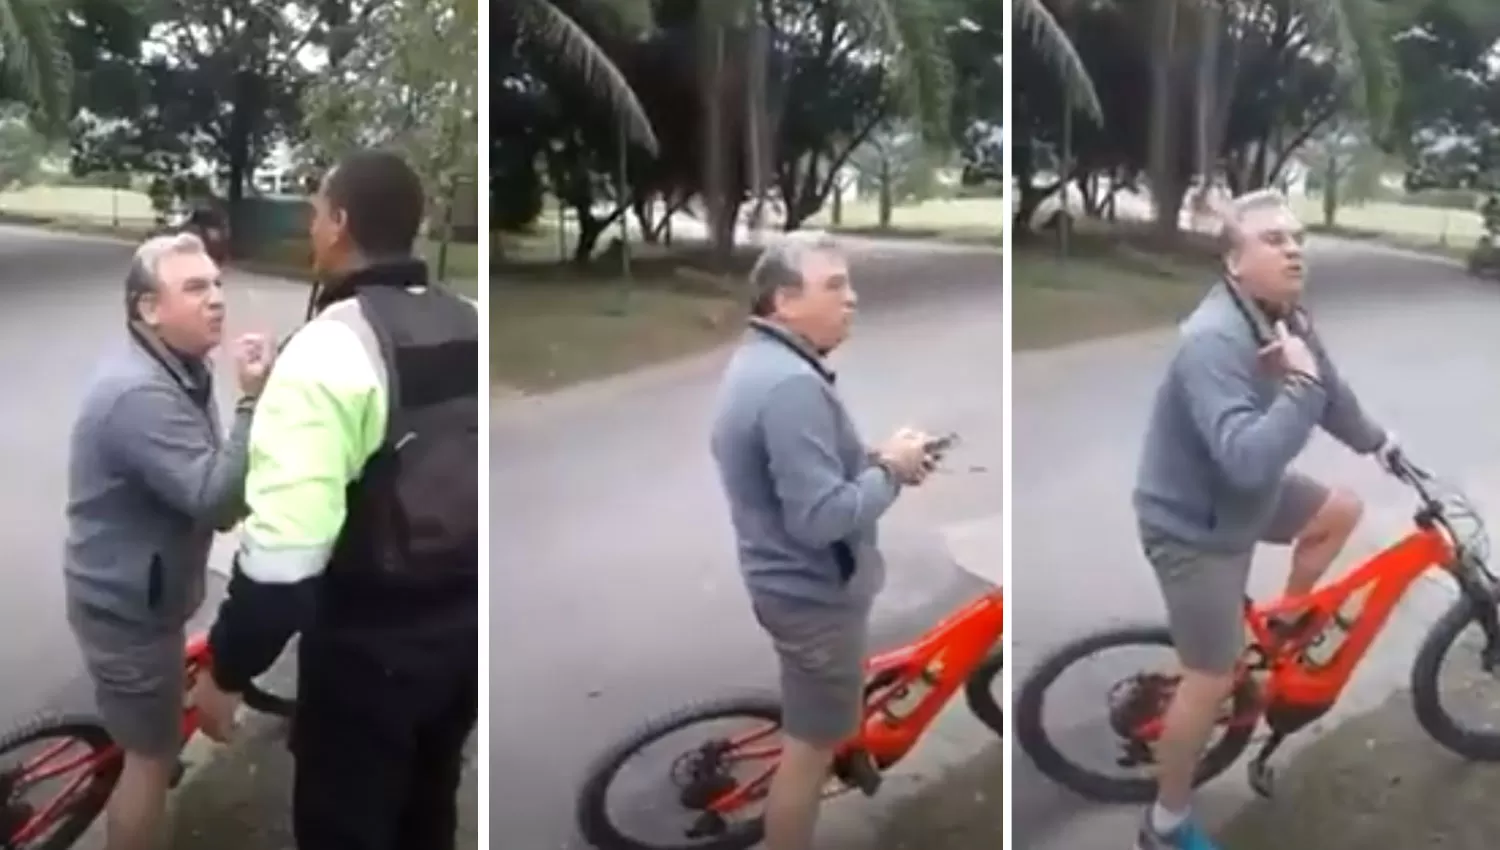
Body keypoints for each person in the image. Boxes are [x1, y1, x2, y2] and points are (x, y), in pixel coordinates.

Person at [191, 149, 479, 850]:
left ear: (341, 223)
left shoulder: (329, 350)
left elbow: (282, 567)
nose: (312, 226)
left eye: (316, 211)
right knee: (428, 807)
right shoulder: (471, 319)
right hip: (464, 637)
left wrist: (227, 671)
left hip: (366, 659)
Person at [1130, 188, 1399, 850]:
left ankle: (1277, 629)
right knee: (1209, 676)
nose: (1293, 248)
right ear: (1234, 262)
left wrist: (1380, 444)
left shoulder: (1285, 316)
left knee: (1340, 511)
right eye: (1273, 240)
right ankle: (1163, 824)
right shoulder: (1211, 342)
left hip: (1240, 500)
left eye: (1297, 236)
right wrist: (1301, 389)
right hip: (1193, 527)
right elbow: (1248, 459)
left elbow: (1329, 392)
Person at [708, 234, 934, 850]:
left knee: (819, 729)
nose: (852, 299)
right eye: (834, 286)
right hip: (811, 598)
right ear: (784, 300)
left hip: (787, 583)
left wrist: (875, 457)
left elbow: (803, 472)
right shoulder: (790, 386)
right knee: (806, 759)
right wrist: (892, 471)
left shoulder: (763, 360)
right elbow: (821, 519)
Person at [62, 231, 270, 850]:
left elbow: (205, 477)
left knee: (147, 741)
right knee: (148, 765)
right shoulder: (139, 393)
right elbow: (215, 495)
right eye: (195, 287)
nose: (216, 300)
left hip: (150, 587)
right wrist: (254, 402)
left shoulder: (182, 366)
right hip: (127, 613)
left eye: (217, 284)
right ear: (149, 309)